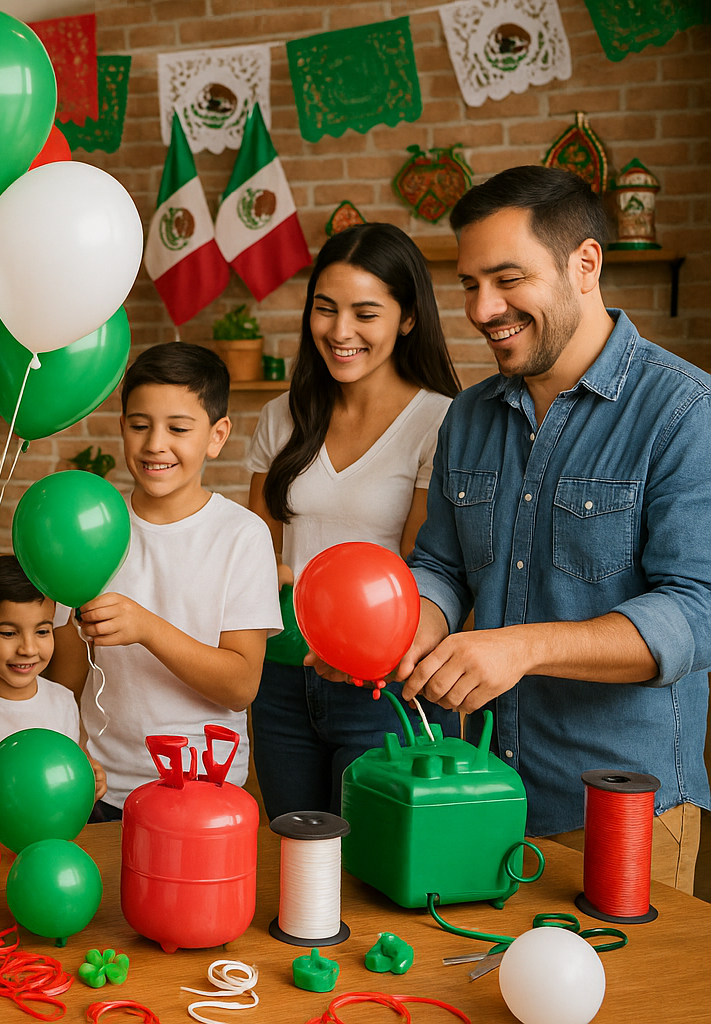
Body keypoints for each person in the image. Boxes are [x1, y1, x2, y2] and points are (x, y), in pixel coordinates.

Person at [315, 165, 710, 893]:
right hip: (479, 794)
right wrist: (394, 634)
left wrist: (521, 649)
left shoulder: (685, 412)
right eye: (469, 284)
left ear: (584, 264)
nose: (482, 308)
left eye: (506, 279)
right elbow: (440, 566)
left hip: (622, 812)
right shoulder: (468, 415)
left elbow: (697, 612)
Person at [244, 223, 462, 819]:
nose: (340, 332)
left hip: (385, 684)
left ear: (408, 318)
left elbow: (429, 564)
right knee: (295, 859)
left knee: (373, 871)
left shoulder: (440, 422)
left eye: (366, 313)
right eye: (325, 309)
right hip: (283, 677)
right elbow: (256, 550)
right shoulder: (280, 416)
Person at [46, 343, 281, 819]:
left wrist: (147, 627)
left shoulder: (241, 535)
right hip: (102, 787)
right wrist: (72, 748)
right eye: (140, 426)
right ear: (122, 428)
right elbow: (69, 679)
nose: (155, 443)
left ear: (217, 436)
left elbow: (241, 685)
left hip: (204, 787)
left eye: (178, 428)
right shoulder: (91, 529)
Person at [0, 555, 106, 817]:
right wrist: (19, 787)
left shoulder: (62, 701)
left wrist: (90, 777)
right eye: (8, 633)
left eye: (42, 632)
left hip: (48, 840)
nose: (28, 649)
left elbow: (74, 767)